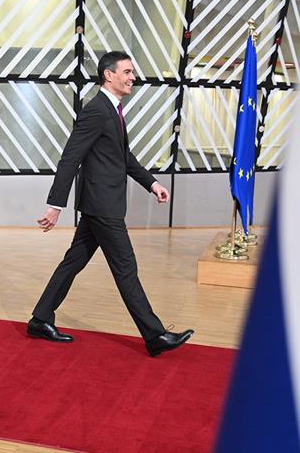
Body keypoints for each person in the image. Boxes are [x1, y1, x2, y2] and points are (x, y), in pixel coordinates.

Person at [29, 51, 194, 357]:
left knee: (73, 262)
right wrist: (55, 204)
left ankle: (40, 319)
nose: (133, 77)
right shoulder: (96, 110)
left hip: (99, 205)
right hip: (103, 206)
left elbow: (123, 157)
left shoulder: (112, 110)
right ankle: (155, 335)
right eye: (128, 72)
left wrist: (152, 183)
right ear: (109, 75)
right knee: (126, 268)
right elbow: (71, 156)